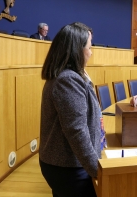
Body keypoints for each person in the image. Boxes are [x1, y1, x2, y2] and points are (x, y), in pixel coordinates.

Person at [39, 22, 100, 197]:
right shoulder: (68, 80)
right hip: (68, 167)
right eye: (89, 47)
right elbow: (77, 131)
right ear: (77, 50)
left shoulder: (69, 76)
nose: (91, 52)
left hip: (68, 164)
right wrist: (97, 170)